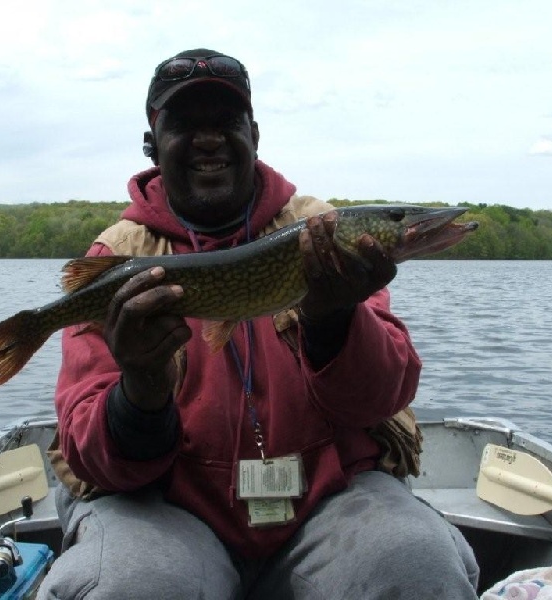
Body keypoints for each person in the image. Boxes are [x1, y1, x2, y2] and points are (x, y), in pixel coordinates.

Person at [37, 49, 479, 599]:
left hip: (329, 502)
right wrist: (141, 388)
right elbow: (93, 459)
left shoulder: (323, 231)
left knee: (414, 562)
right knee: (132, 584)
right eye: (184, 125)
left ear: (254, 133)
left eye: (225, 122)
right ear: (152, 145)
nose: (208, 139)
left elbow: (379, 400)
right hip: (169, 510)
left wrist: (336, 320)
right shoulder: (120, 255)